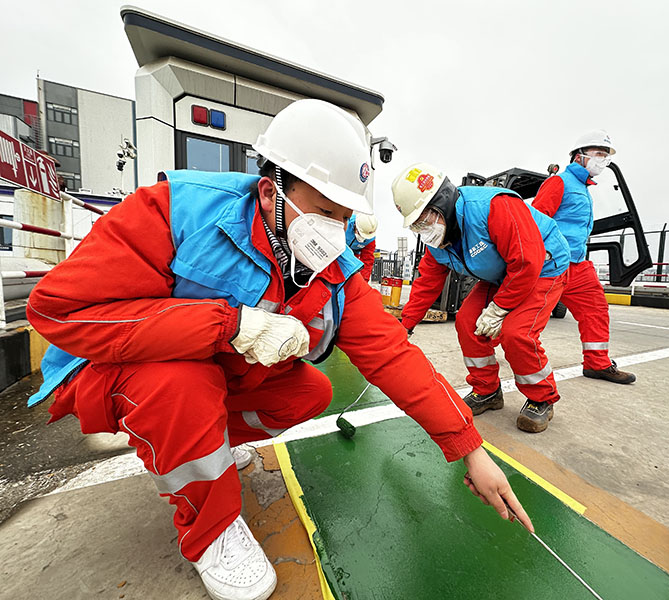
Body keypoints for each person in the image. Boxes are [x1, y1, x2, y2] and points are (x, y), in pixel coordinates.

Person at [25, 100, 533, 600]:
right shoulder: (177, 211)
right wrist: (229, 326)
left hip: (208, 375)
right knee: (183, 384)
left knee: (308, 392)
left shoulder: (332, 272)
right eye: (324, 211)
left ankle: (207, 446)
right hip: (106, 369)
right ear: (270, 191)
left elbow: (394, 357)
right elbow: (58, 311)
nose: (333, 230)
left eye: (343, 216)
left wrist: (470, 450)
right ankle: (211, 531)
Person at [394, 163, 571, 435]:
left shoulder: (493, 207)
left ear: (442, 203)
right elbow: (427, 282)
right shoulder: (439, 241)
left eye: (424, 220)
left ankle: (542, 397)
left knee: (517, 333)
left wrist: (499, 309)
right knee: (467, 322)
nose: (423, 229)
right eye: (416, 225)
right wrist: (404, 326)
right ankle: (487, 391)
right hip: (504, 273)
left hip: (543, 266)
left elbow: (527, 262)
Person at [531, 130, 635, 384]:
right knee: (530, 317)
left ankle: (597, 364)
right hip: (553, 263)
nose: (603, 160)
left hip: (578, 264)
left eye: (606, 155)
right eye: (598, 153)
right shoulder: (559, 182)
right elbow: (536, 221)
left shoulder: (583, 188)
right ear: (579, 156)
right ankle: (503, 347)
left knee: (595, 309)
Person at [345, 212, 378, 281]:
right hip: (338, 251)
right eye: (361, 235)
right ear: (355, 226)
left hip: (354, 257)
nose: (363, 238)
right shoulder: (345, 224)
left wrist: (363, 281)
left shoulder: (370, 240)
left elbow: (367, 261)